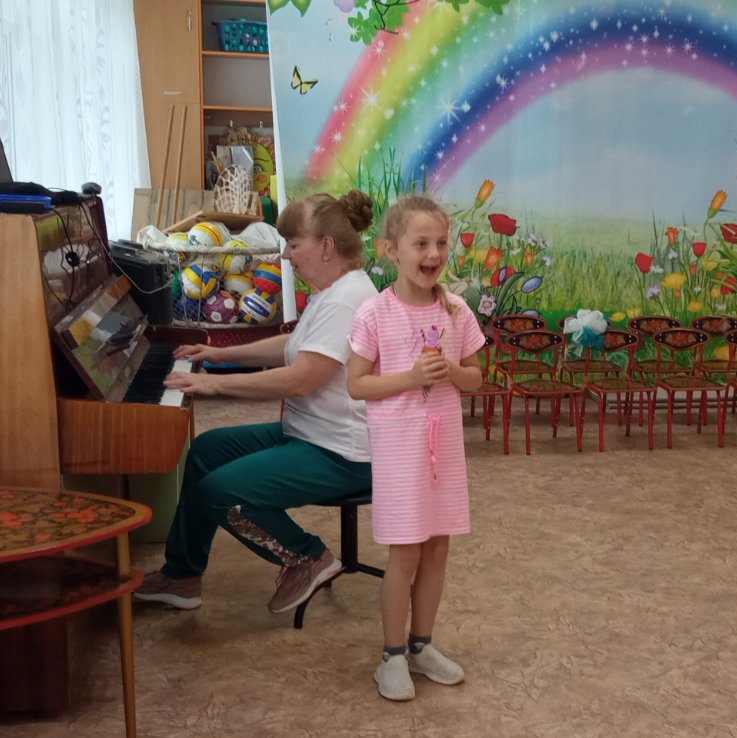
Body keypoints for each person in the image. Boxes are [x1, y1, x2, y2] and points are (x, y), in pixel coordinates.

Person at [132, 190, 379, 615]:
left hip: (342, 453)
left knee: (220, 491)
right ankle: (182, 576)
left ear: (326, 246)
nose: (285, 255)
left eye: (293, 244)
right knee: (207, 451)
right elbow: (295, 346)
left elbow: (300, 380)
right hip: (310, 434)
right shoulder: (334, 290)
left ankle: (308, 557)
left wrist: (215, 387)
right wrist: (219, 355)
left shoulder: (346, 300)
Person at [347, 195, 484, 701]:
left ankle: (421, 646)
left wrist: (451, 371)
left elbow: (476, 378)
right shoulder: (374, 313)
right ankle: (391, 656)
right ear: (391, 250)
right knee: (404, 552)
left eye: (441, 243)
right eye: (421, 243)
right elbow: (356, 385)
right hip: (400, 453)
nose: (433, 253)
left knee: (438, 548)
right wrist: (409, 377)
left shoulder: (456, 310)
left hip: (442, 452)